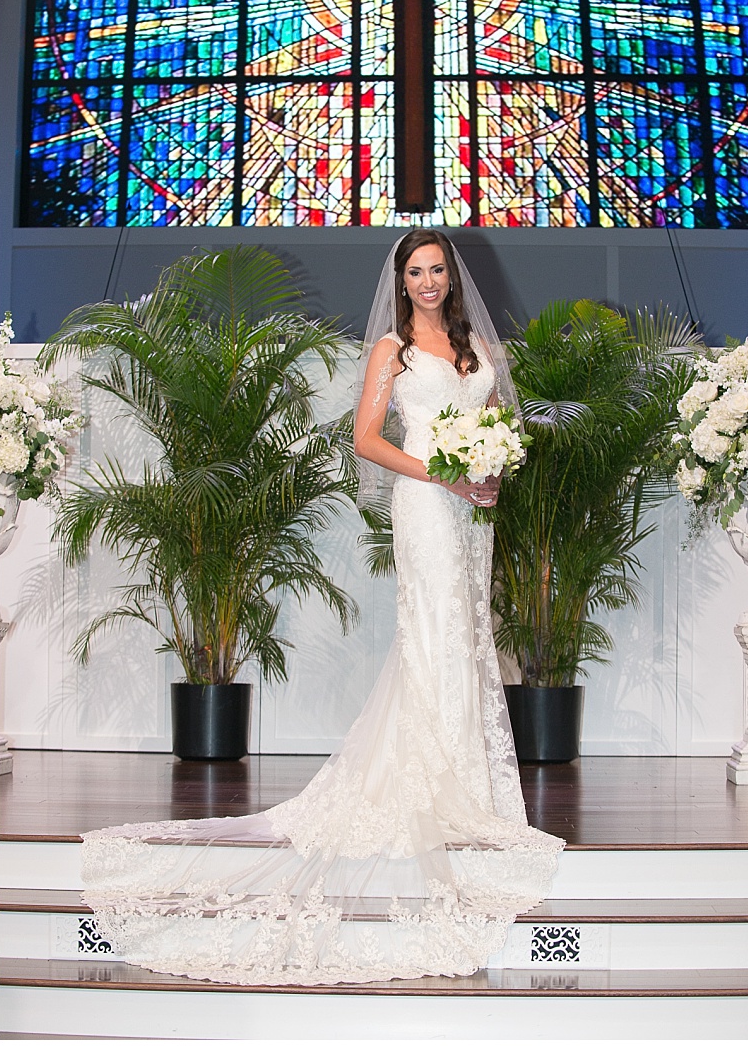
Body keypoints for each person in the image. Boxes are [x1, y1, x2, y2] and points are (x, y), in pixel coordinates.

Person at [78, 230, 564, 985]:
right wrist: (444, 471)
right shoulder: (390, 352)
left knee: (468, 632)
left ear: (451, 277)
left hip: (474, 509)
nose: (428, 281)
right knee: (434, 629)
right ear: (400, 280)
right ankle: (430, 782)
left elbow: (498, 423)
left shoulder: (472, 347)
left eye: (437, 269)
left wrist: (488, 472)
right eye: (416, 271)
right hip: (426, 502)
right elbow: (367, 440)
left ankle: (465, 781)